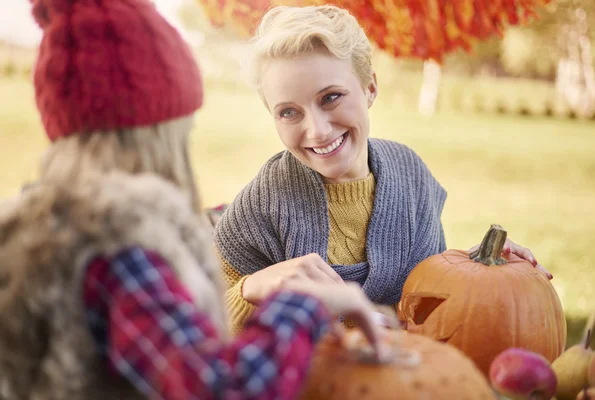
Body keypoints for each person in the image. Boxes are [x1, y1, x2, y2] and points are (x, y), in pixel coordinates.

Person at [0, 1, 388, 399]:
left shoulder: (34, 234)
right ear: (159, 130)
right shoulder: (117, 249)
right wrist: (303, 305)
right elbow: (219, 388)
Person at [214, 4, 553, 336]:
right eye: (289, 112)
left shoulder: (409, 176)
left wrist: (487, 266)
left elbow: (429, 296)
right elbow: (203, 326)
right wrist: (252, 288)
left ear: (370, 88)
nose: (317, 131)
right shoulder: (259, 208)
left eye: (331, 97)